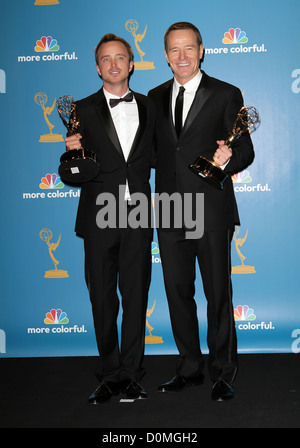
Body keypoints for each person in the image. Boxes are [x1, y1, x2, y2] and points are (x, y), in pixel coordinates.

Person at [148, 22, 254, 400]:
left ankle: (223, 371)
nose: (182, 57)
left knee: (217, 293)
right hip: (170, 210)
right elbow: (147, 152)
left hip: (211, 207)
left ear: (202, 50)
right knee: (177, 292)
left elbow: (245, 149)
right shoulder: (153, 97)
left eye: (188, 48)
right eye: (174, 50)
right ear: (165, 55)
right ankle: (189, 367)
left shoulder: (226, 94)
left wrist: (230, 158)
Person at [65, 34, 154, 404]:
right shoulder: (79, 110)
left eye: (121, 58)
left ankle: (132, 374)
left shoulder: (153, 107)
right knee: (102, 298)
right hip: (99, 215)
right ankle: (109, 373)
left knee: (135, 297)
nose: (114, 64)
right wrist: (72, 155)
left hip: (138, 214)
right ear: (97, 66)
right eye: (106, 59)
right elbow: (72, 174)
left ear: (131, 64)